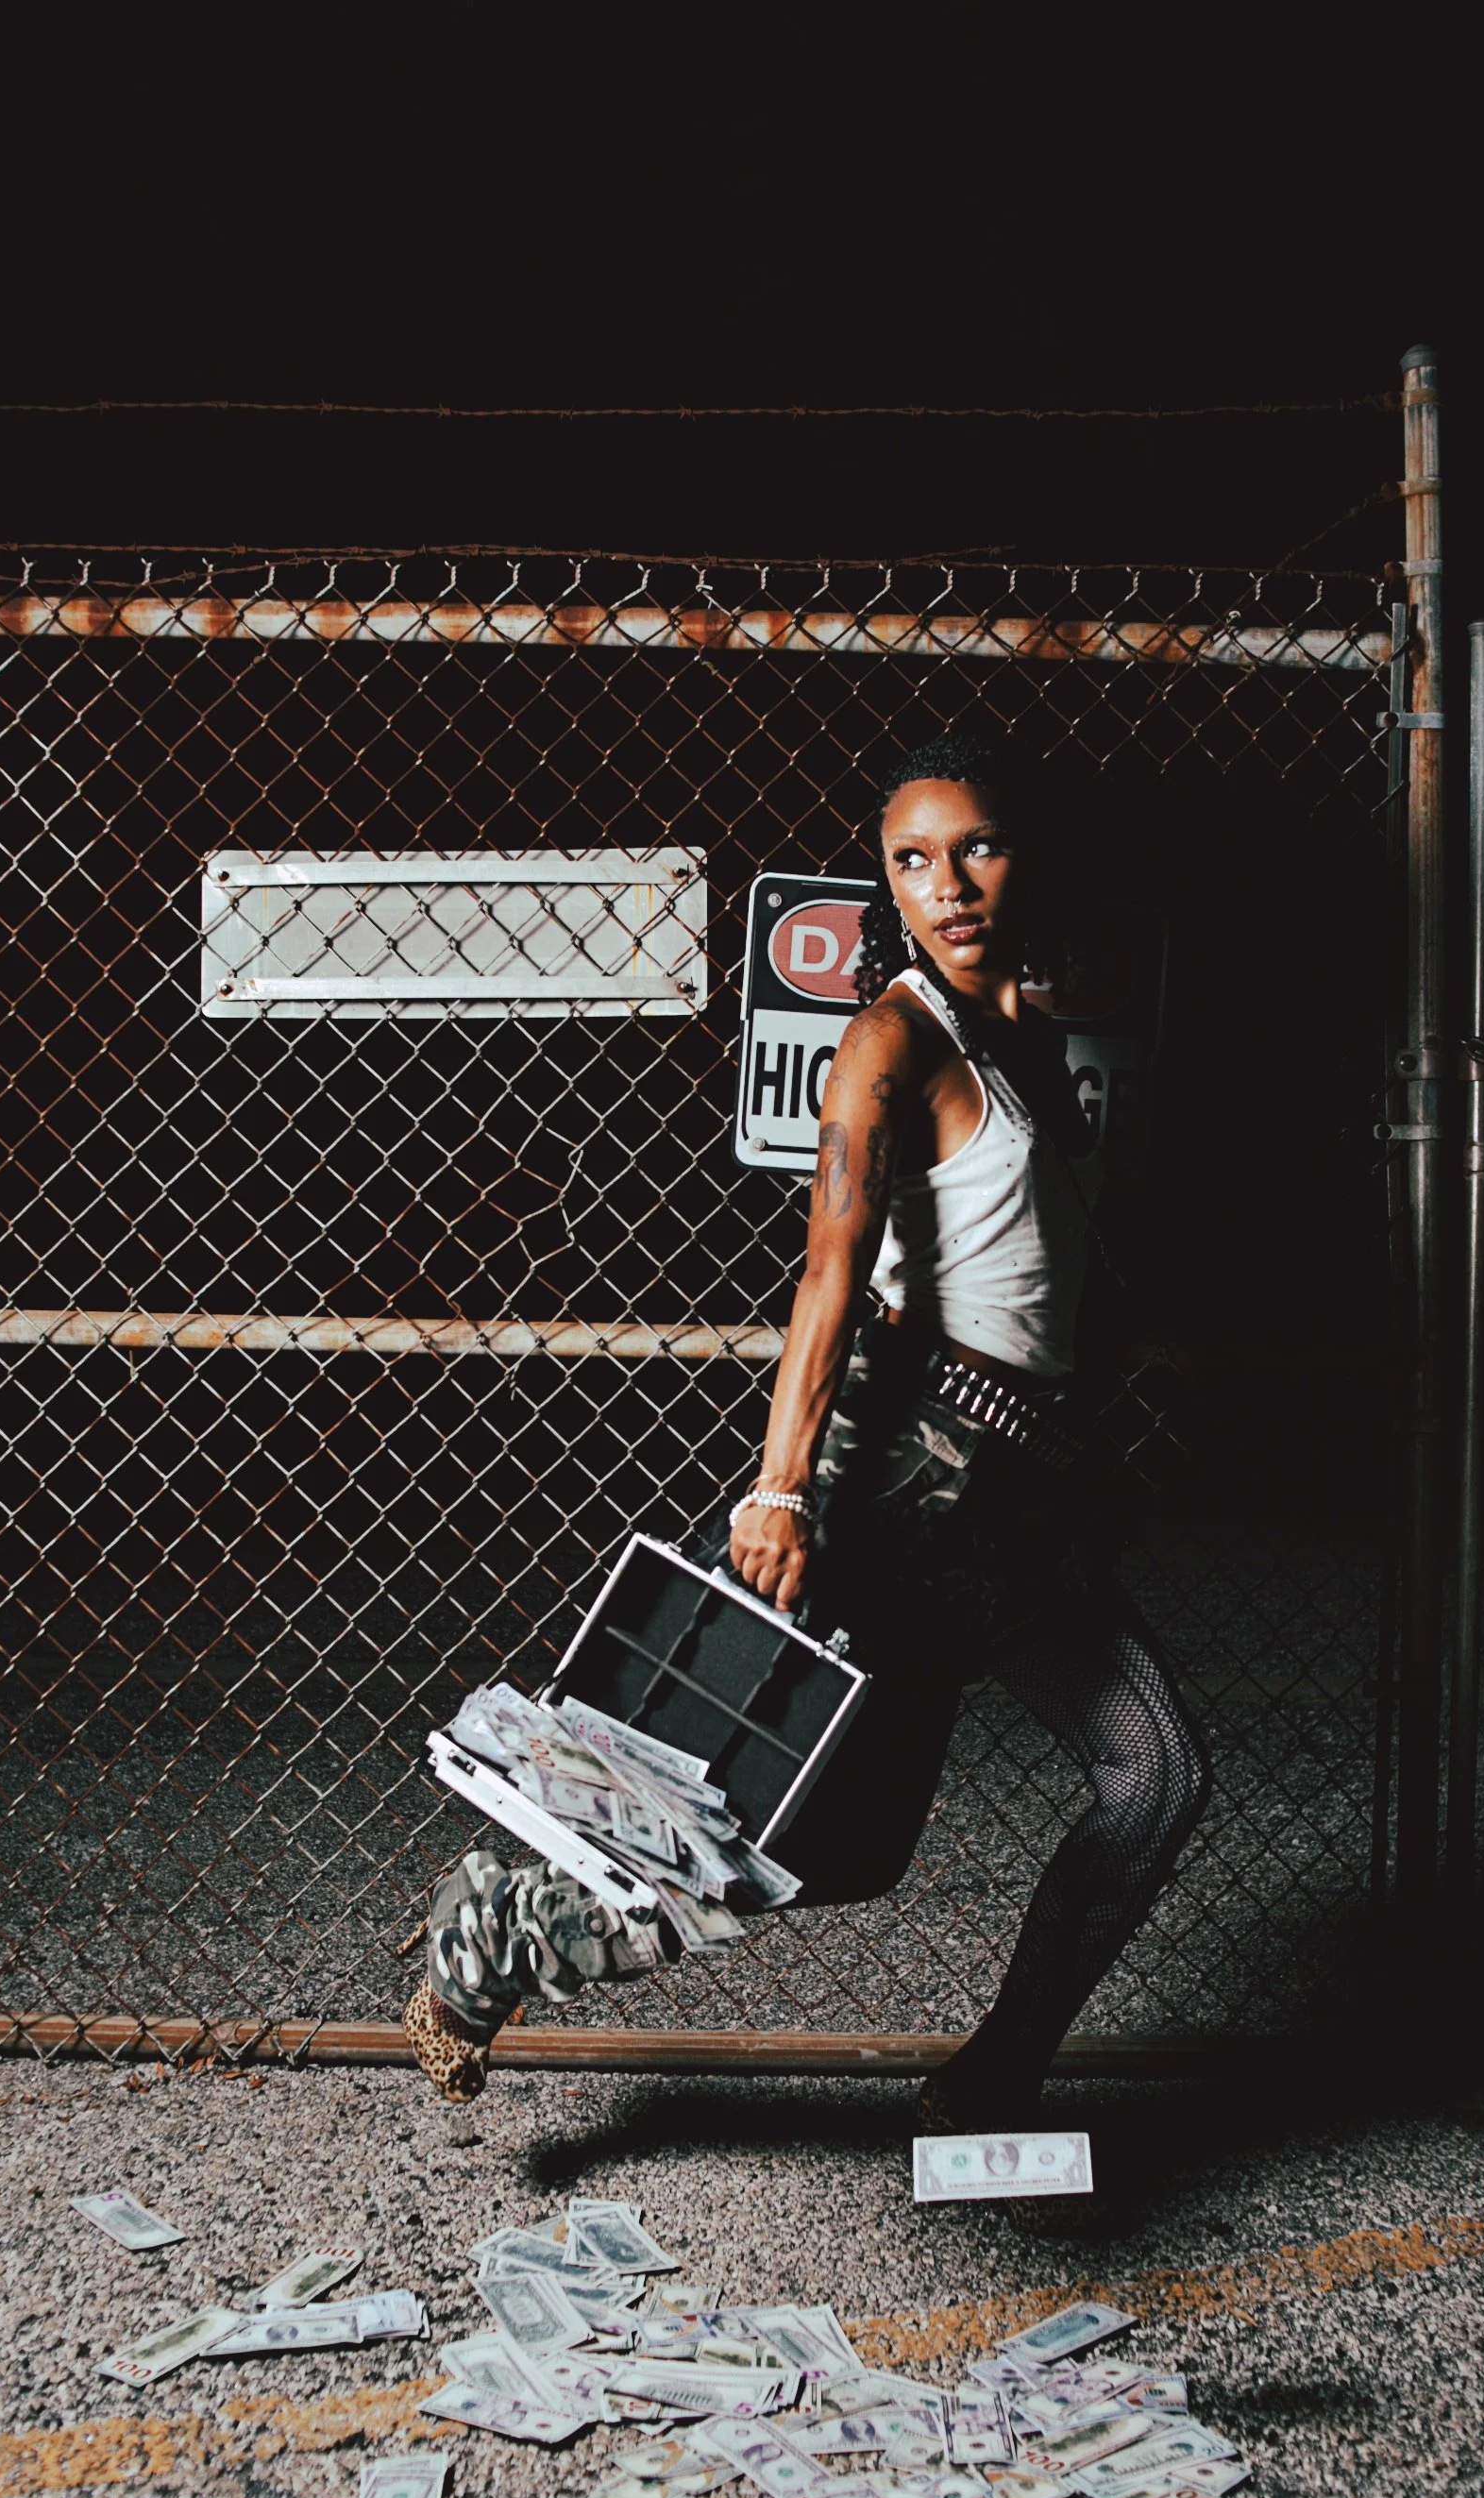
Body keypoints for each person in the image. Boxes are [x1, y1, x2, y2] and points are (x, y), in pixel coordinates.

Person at [407, 731, 1211, 2131]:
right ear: (887, 886)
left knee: (1151, 1778)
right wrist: (780, 1491)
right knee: (799, 1844)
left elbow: (1045, 1252)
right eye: (913, 859)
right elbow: (830, 1269)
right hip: (909, 1477)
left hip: (1019, 1488)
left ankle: (994, 2077)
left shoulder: (1033, 1024)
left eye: (977, 847)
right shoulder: (889, 1043)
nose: (949, 883)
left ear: (1026, 859)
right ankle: (509, 1925)